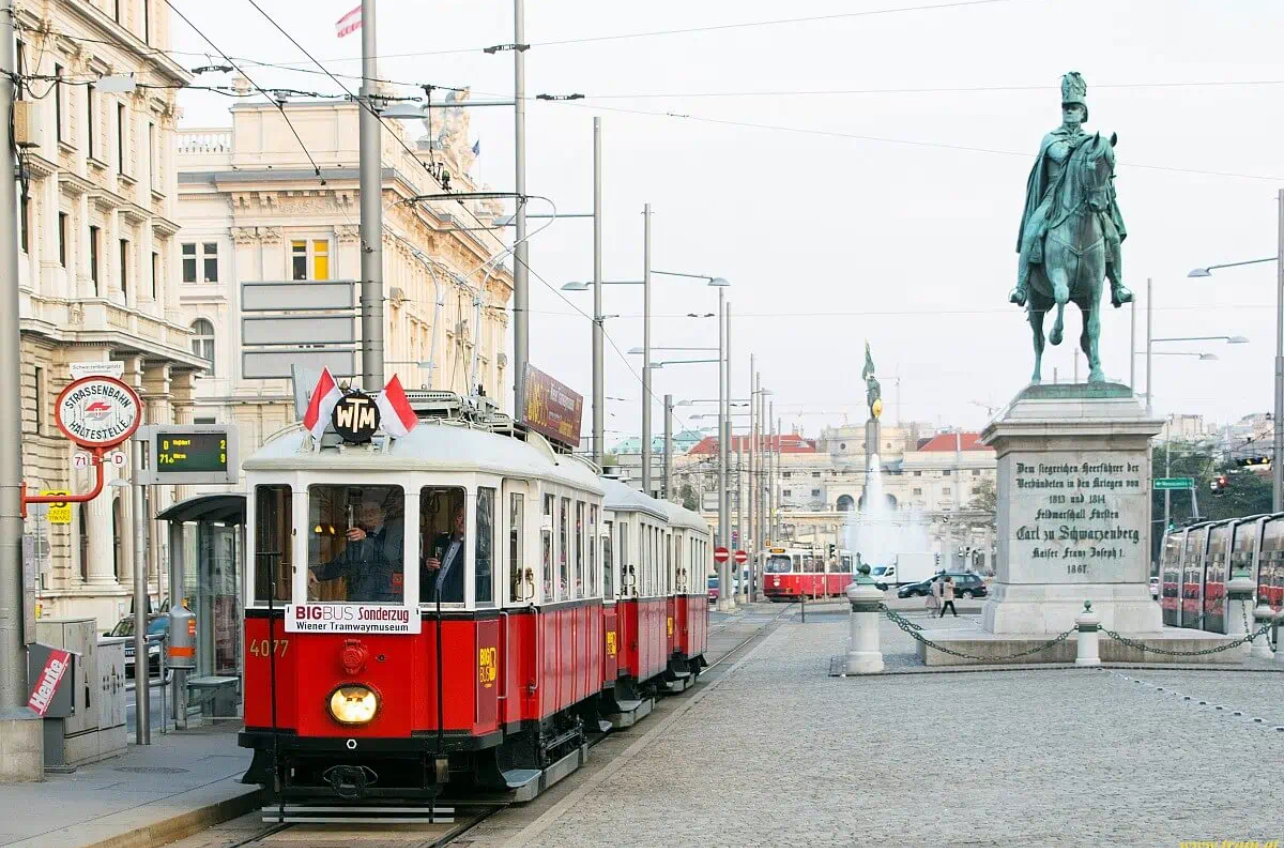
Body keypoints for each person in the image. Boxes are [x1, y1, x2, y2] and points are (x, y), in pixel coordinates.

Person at [1011, 72, 1129, 309]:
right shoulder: (1052, 138)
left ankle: (1117, 284)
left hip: (1085, 199)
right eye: (1067, 108)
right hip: (1054, 196)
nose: (1070, 111)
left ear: (1084, 112)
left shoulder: (1091, 141)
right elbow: (1060, 154)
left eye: (1075, 108)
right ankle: (1021, 285)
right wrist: (1083, 150)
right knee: (1032, 230)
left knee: (1112, 234)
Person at [310, 493, 404, 602]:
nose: (368, 515)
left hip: (385, 602)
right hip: (358, 602)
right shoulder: (358, 539)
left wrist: (365, 538)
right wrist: (312, 571)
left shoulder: (393, 534)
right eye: (364, 512)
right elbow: (340, 565)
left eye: (372, 511)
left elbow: (390, 557)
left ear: (382, 514)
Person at [423, 505, 466, 603]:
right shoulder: (440, 541)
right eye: (460, 516)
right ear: (453, 518)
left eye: (467, 518)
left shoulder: (474, 548)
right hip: (434, 603)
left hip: (457, 609)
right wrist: (428, 568)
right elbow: (428, 576)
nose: (463, 522)